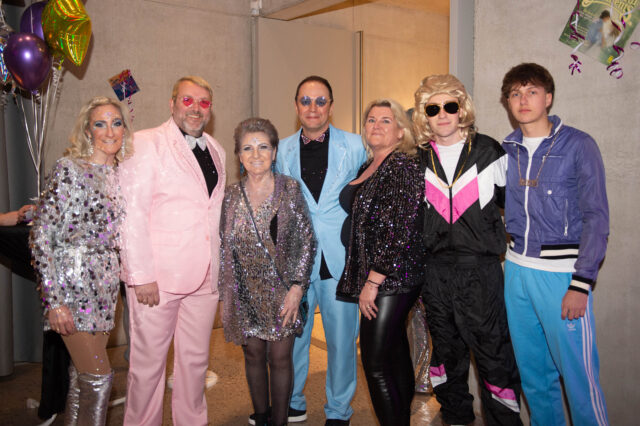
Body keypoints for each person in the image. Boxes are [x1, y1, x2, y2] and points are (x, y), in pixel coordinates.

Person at [501, 63, 609, 426]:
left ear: (548, 98)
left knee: (580, 382)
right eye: (515, 93)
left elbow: (597, 218)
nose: (523, 99)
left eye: (531, 92)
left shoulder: (579, 145)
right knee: (535, 379)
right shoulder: (507, 149)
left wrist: (582, 283)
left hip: (562, 276)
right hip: (516, 271)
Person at [414, 74, 523, 426]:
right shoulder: (416, 160)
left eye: (450, 105)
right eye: (433, 108)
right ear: (424, 115)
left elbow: (516, 208)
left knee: (494, 356)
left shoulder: (489, 151)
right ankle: (456, 417)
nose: (442, 114)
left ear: (462, 109)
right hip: (435, 274)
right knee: (446, 356)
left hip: (481, 272)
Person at [119, 76, 226, 425]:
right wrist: (140, 275)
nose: (196, 109)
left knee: (195, 364)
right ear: (172, 103)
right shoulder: (145, 142)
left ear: (210, 109)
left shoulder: (217, 149)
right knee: (148, 367)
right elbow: (131, 214)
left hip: (206, 276)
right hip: (158, 279)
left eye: (203, 102)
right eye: (187, 100)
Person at [30, 96, 133, 425]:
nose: (109, 131)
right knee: (100, 378)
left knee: (82, 378)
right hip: (72, 288)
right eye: (100, 124)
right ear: (88, 131)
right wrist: (54, 300)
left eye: (116, 123)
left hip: (106, 289)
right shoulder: (70, 169)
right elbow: (40, 234)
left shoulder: (122, 176)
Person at [276, 75, 366, 425]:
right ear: (295, 105)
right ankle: (293, 399)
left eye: (320, 101)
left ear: (331, 105)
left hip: (338, 257)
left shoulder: (356, 145)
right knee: (294, 336)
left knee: (342, 339)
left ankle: (339, 409)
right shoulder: (281, 149)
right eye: (305, 100)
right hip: (296, 261)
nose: (312, 107)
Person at [220, 118, 316, 426]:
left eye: (263, 146)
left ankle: (279, 421)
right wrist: (226, 294)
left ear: (274, 152)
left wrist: (297, 287)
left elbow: (305, 240)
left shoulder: (289, 188)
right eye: (248, 148)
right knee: (252, 356)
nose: (256, 154)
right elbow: (223, 246)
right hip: (245, 293)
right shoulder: (231, 195)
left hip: (282, 292)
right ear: (239, 155)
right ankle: (261, 416)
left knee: (279, 358)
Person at [336, 98, 424, 426]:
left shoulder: (402, 166)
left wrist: (373, 281)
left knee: (374, 364)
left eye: (386, 120)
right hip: (382, 277)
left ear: (401, 131)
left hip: (391, 279)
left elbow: (399, 229)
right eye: (371, 119)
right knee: (394, 354)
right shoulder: (371, 165)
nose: (376, 125)